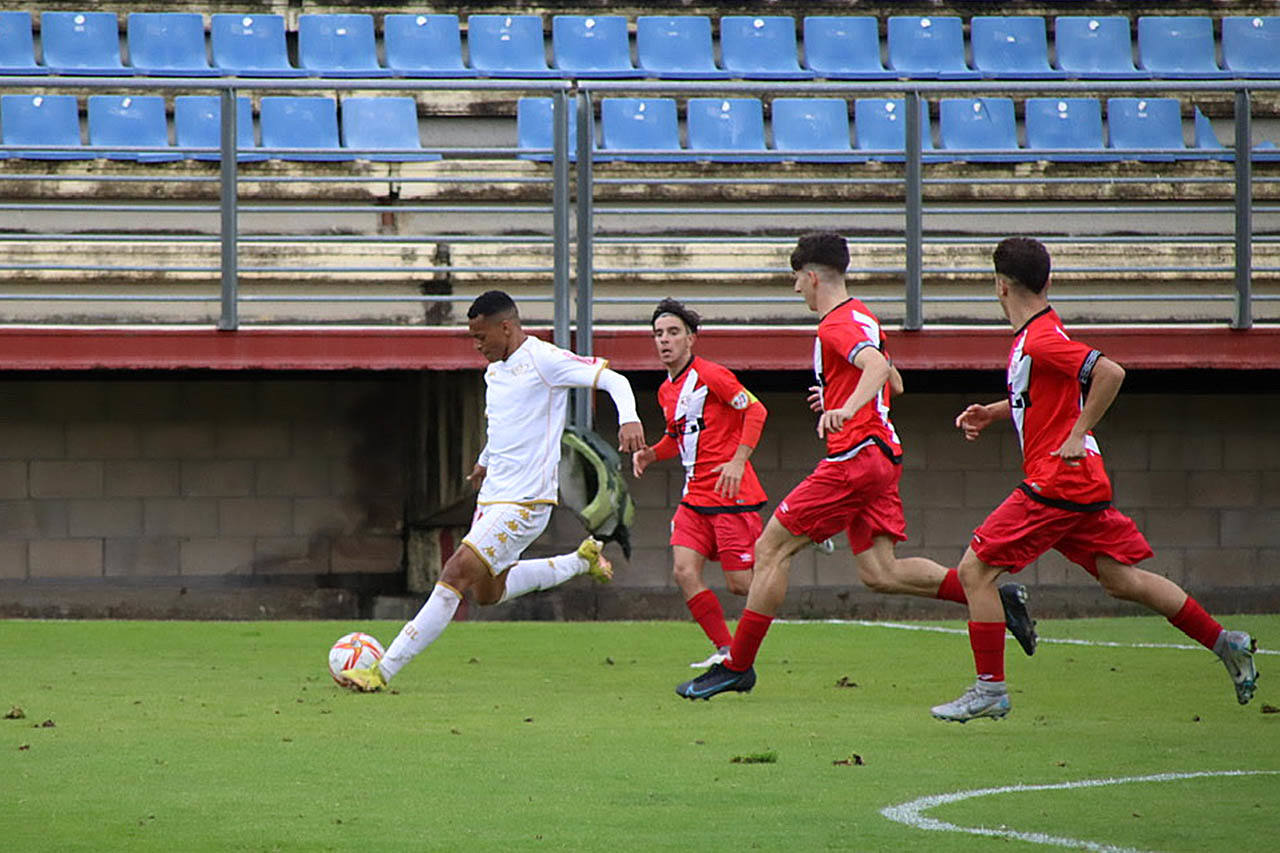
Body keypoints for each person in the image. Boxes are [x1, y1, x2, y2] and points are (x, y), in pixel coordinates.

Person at [676, 232, 1036, 701]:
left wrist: (845, 410)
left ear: (810, 276)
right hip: (884, 456)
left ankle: (737, 666)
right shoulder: (863, 315)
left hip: (856, 457)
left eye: (795, 281)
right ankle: (994, 599)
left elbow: (878, 371)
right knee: (880, 572)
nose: (795, 291)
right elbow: (894, 381)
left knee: (769, 550)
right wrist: (839, 395)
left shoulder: (834, 326)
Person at [930, 236, 1259, 722]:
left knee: (975, 572)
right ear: (1047, 280)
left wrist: (1077, 434)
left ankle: (990, 689)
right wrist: (996, 413)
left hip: (1059, 481)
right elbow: (1047, 398)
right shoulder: (1038, 333)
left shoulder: (1041, 337)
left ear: (1000, 286)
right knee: (1120, 579)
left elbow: (1110, 372)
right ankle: (1224, 641)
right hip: (1079, 482)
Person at [341, 290, 646, 691]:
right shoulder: (495, 372)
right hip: (493, 497)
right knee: (487, 592)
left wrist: (630, 418)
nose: (477, 344)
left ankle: (381, 670)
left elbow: (612, 378)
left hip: (526, 501)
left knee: (453, 574)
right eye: (472, 337)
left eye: (481, 335)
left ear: (506, 327)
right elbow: (505, 425)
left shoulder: (543, 359)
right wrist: (485, 459)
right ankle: (581, 560)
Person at [632, 298, 769, 668]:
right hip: (695, 499)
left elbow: (756, 410)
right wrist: (649, 454)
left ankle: (791, 543)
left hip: (730, 497)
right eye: (658, 334)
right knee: (683, 571)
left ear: (690, 338)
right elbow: (677, 438)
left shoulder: (712, 375)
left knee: (741, 584)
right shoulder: (667, 390)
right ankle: (725, 650)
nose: (664, 340)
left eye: (673, 333)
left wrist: (738, 461)